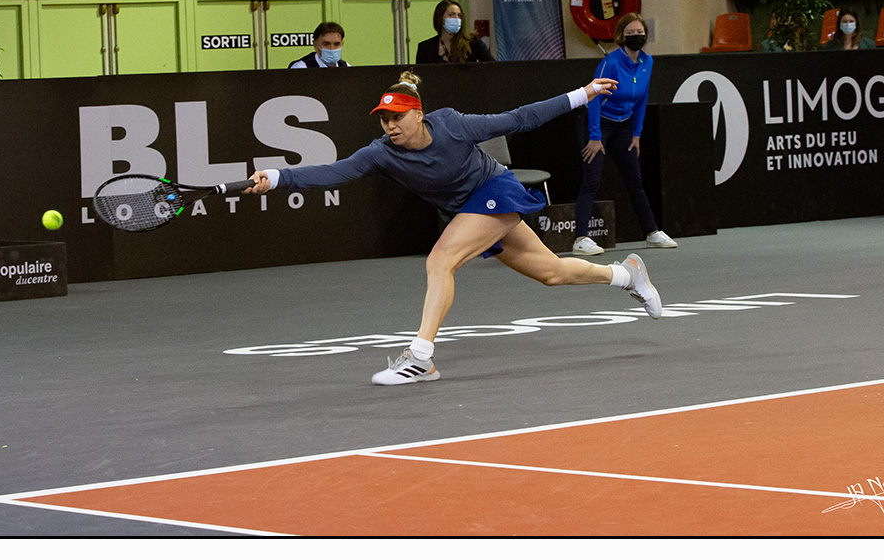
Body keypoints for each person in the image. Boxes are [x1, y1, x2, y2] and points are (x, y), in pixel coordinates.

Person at [245, 70, 664, 386]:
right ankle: (627, 274)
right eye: (384, 119)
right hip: (468, 210)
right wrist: (278, 178)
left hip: (494, 190)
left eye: (397, 117)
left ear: (418, 114)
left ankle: (420, 358)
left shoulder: (452, 125)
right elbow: (335, 172)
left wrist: (583, 94)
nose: (390, 126)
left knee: (440, 261)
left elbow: (519, 118)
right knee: (552, 273)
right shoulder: (381, 153)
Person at [572, 12, 677, 256]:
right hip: (598, 124)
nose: (636, 36)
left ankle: (652, 232)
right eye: (630, 33)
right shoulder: (610, 62)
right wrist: (595, 136)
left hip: (624, 126)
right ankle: (580, 238)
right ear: (621, 36)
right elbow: (594, 97)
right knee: (592, 180)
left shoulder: (648, 62)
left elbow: (642, 99)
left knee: (634, 180)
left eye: (640, 33)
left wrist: (636, 133)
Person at [415, 0, 494, 63]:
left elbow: (493, 67)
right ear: (440, 18)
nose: (456, 18)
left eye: (459, 15)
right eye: (451, 15)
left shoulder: (473, 42)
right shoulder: (425, 47)